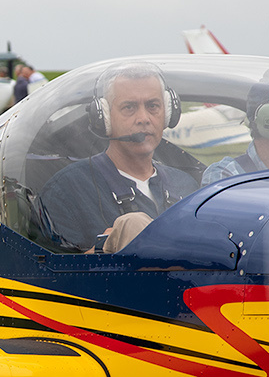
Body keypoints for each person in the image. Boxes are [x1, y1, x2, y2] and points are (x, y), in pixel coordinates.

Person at [41, 64, 199, 251]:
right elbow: (56, 273)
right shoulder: (67, 190)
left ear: (167, 114)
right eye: (129, 107)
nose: (143, 118)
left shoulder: (186, 187)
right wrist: (107, 247)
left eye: (153, 106)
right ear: (104, 117)